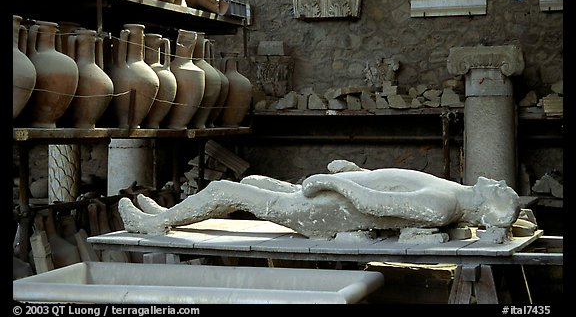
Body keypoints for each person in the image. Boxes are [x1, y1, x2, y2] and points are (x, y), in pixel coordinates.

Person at [118, 159, 520, 243]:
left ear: (490, 209)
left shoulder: (441, 206)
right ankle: (171, 213)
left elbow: (377, 204)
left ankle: (153, 225)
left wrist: (334, 182)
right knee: (256, 178)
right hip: (329, 197)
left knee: (225, 191)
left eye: (503, 190)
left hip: (322, 213)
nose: (499, 181)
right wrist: (354, 171)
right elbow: (390, 186)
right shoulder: (451, 191)